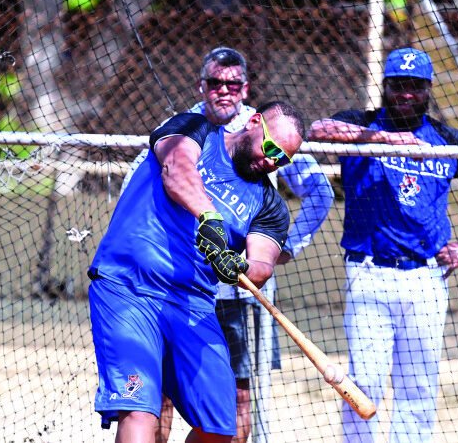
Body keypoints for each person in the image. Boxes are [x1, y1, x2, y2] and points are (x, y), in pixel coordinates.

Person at [121, 47, 334, 443]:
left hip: (237, 295)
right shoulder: (188, 125)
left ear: (245, 88)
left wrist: (284, 251)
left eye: (232, 83)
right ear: (202, 84)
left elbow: (320, 194)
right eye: (215, 82)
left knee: (234, 399)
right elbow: (140, 178)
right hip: (174, 288)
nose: (224, 90)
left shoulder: (273, 132)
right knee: (160, 397)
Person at [308, 47, 458, 442]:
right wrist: (385, 140)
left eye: (414, 87)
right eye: (398, 85)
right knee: (362, 383)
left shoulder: (448, 140)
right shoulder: (361, 126)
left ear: (427, 89)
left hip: (425, 278)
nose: (405, 94)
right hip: (369, 273)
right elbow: (317, 129)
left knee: (418, 387)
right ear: (385, 87)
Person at [88, 100, 305, 443]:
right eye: (270, 148)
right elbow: (176, 168)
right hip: (128, 286)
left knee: (219, 426)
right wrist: (209, 216)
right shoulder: (195, 129)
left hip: (192, 304)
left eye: (281, 159)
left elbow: (262, 265)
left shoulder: (270, 204)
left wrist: (240, 267)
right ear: (254, 122)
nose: (270, 161)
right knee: (140, 409)